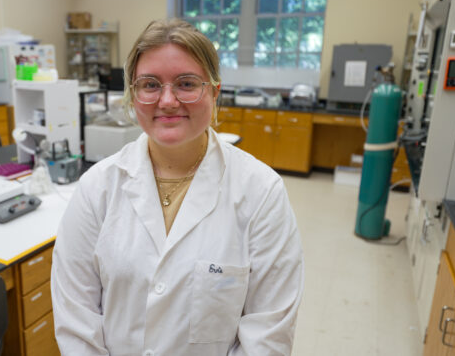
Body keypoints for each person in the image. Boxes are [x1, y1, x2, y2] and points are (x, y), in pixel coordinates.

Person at [51, 18, 304, 356]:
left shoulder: (261, 193)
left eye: (186, 83)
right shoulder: (96, 188)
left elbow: (268, 335)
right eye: (150, 84)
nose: (167, 100)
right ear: (133, 94)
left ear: (214, 91)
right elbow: (76, 323)